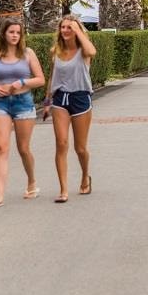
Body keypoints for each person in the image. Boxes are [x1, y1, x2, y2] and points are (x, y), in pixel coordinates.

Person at [0, 19, 45, 208]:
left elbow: (40, 79)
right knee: (1, 148)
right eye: (11, 32)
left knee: (23, 148)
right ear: (4, 33)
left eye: (18, 33)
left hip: (23, 103)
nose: (15, 36)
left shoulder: (28, 54)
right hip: (0, 104)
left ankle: (32, 182)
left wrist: (22, 82)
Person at [43, 15, 97, 203]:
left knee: (80, 148)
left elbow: (92, 51)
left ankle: (85, 176)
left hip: (80, 98)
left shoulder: (84, 51)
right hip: (60, 99)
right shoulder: (56, 51)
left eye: (70, 28)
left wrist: (78, 30)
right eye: (63, 27)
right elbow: (52, 77)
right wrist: (47, 102)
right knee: (61, 143)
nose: (65, 30)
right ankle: (63, 190)